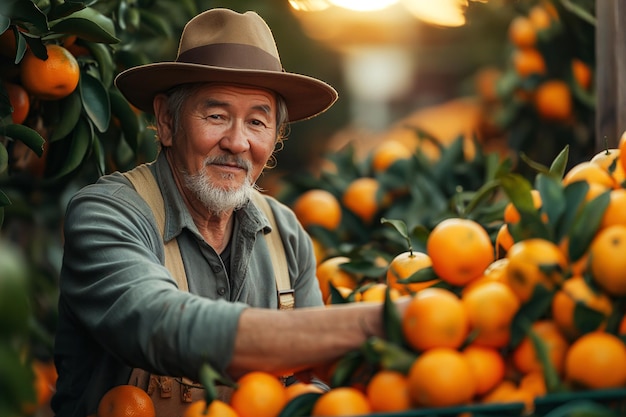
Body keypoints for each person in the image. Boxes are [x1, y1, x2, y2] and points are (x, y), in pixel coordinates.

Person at [51, 8, 408, 417]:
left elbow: (315, 388)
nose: (237, 142)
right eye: (216, 115)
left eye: (257, 121)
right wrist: (379, 323)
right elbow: (160, 325)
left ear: (275, 137)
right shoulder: (108, 214)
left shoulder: (286, 234)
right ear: (167, 121)